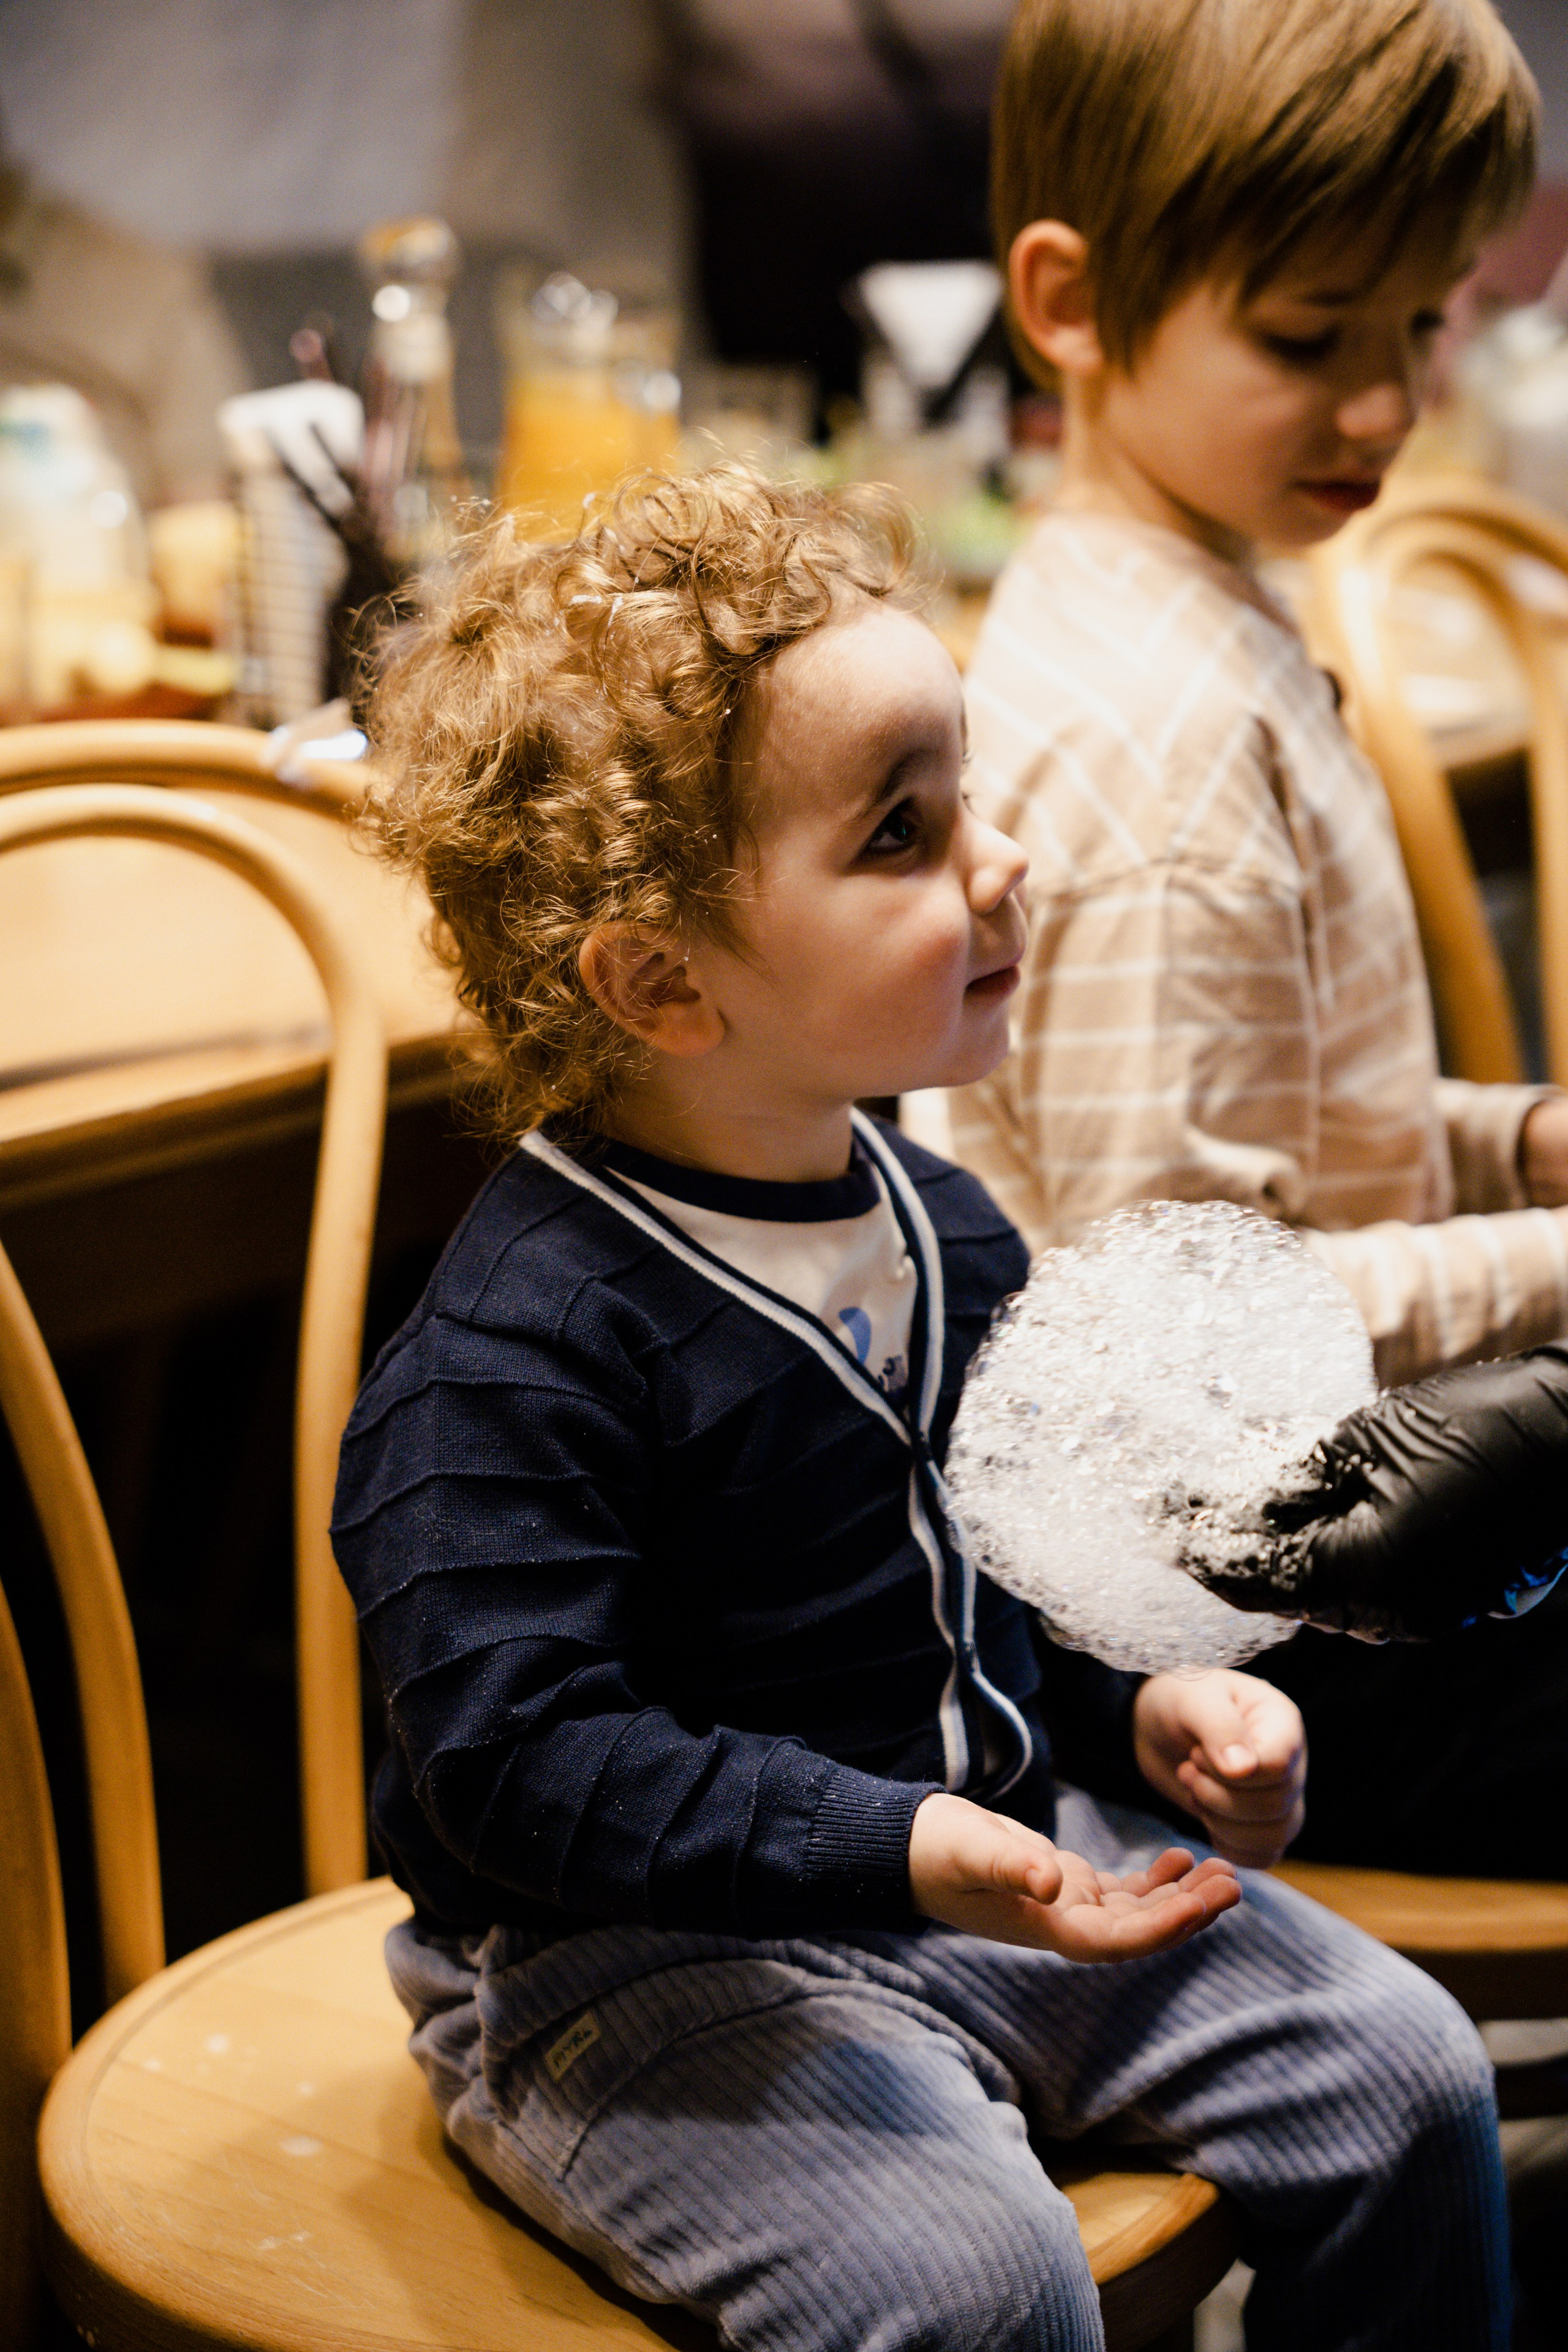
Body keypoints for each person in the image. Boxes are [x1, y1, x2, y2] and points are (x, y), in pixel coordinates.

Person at [331, 467, 1510, 2352]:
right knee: (973, 2289)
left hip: (992, 1856)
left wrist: (1156, 1701)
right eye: (903, 832)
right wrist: (895, 1847)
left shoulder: (939, 1220)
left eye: (970, 796)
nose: (1006, 860)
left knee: (1405, 2078)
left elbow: (1021, 1562)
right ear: (662, 982)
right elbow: (512, 1761)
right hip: (623, 1964)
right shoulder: (516, 1355)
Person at [939, 0, 1568, 1872]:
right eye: (1310, 337)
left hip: (1323, 1554)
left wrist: (1512, 1144)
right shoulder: (1172, 757)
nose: (1388, 402)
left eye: (1421, 321)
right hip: (1267, 1652)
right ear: (1068, 302)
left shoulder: (1170, 602)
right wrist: (1548, 1264)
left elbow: (1307, 1117)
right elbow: (1176, 1342)